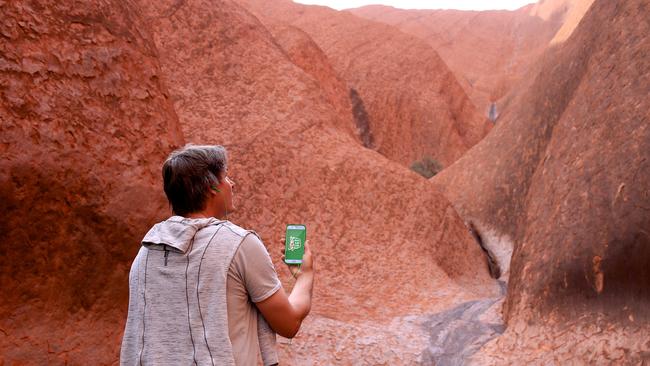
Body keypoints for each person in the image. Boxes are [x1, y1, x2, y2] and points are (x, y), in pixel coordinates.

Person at [120, 144, 315, 366]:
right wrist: (305, 274)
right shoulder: (239, 244)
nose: (232, 184)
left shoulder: (146, 251)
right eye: (226, 176)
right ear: (213, 187)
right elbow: (288, 323)